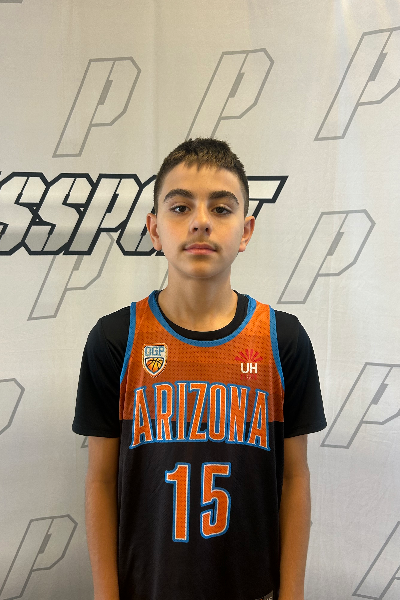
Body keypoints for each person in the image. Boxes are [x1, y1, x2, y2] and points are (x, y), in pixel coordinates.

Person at [72, 137, 327, 600]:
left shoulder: (283, 340)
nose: (201, 221)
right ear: (154, 229)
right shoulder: (116, 339)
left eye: (222, 208)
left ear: (246, 231)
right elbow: (101, 480)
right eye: (180, 207)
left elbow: (295, 477)